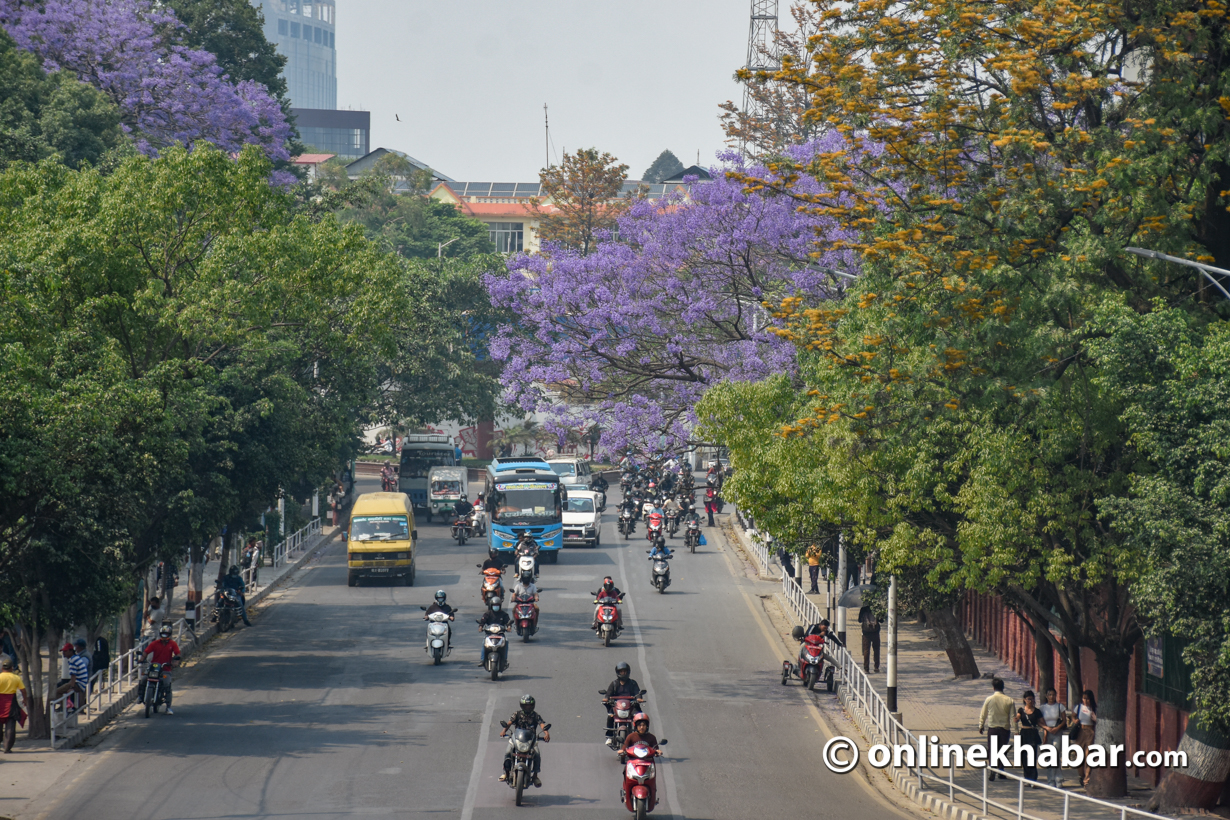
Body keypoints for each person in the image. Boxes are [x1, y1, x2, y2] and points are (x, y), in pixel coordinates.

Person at [500, 694, 550, 786]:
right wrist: (504, 731)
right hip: (517, 738)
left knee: (537, 754)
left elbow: (542, 724)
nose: (528, 707)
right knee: (508, 752)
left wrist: (546, 734)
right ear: (522, 706)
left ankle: (535, 776)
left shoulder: (535, 715)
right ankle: (505, 773)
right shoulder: (517, 714)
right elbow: (509, 723)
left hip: (531, 740)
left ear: (533, 706)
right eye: (526, 705)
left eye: (530, 705)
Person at [978, 678, 1015, 780]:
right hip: (1005, 729)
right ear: (1003, 687)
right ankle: (1001, 771)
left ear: (993, 688)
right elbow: (1013, 717)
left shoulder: (989, 699)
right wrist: (1016, 731)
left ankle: (993, 769)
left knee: (992, 750)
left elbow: (983, 714)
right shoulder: (1009, 700)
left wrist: (981, 725)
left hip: (993, 729)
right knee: (1002, 750)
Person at [141, 626, 181, 714]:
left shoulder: (172, 644)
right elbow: (146, 652)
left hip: (166, 668)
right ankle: (140, 697)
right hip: (154, 667)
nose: (164, 636)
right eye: (163, 634)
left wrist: (175, 662)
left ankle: (168, 707)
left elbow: (177, 653)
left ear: (169, 635)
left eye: (166, 634)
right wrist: (142, 658)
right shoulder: (155, 643)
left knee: (167, 684)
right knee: (143, 679)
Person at [603, 662, 644, 745]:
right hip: (617, 706)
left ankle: (641, 737)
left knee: (640, 718)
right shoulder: (614, 684)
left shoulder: (633, 683)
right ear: (618, 672)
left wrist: (639, 698)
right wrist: (606, 699)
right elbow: (608, 694)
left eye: (625, 671)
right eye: (621, 672)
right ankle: (610, 737)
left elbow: (637, 693)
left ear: (628, 672)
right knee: (610, 716)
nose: (623, 673)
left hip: (631, 706)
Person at [1038, 687, 1068, 787]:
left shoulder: (1060, 706)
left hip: (1057, 733)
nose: (1051, 697)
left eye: (1053, 695)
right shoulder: (1042, 708)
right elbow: (1039, 722)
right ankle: (1051, 779)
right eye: (1049, 695)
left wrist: (1057, 728)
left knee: (1055, 754)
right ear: (1046, 696)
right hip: (1046, 733)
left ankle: (1058, 779)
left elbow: (1064, 721)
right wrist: (1046, 728)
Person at [1014, 690, 1042, 781]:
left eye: (1032, 699)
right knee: (1024, 757)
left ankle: (1033, 778)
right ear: (1024, 700)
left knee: (1032, 756)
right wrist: (1016, 719)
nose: (1031, 701)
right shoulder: (1021, 710)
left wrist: (1047, 729)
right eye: (1029, 699)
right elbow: (1017, 717)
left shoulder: (1037, 711)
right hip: (1023, 734)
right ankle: (1027, 777)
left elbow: (1041, 722)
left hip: (1033, 734)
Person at [0, 655, 26, 754]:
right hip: (11, 703)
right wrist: (25, 700)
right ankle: (7, 747)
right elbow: (23, 690)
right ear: (11, 668)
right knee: (10, 725)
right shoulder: (16, 678)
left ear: (2, 668)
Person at [53, 639, 90, 707]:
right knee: (61, 688)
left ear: (71, 651)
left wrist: (71, 687)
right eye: (63, 651)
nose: (63, 653)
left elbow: (73, 676)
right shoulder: (76, 658)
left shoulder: (73, 660)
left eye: (65, 651)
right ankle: (66, 706)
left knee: (56, 692)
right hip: (82, 683)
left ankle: (66, 707)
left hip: (79, 684)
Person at [477, 597, 512, 669]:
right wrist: (480, 627)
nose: (496, 607)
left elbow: (508, 622)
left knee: (506, 642)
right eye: (494, 605)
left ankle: (504, 660)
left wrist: (509, 627)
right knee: (484, 642)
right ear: (491, 605)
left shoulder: (504, 614)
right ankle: (482, 660)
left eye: (497, 605)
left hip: (500, 634)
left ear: (500, 605)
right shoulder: (487, 614)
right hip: (489, 634)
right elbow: (482, 622)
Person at [1072, 689, 1097, 787]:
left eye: (1087, 699)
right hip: (1080, 732)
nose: (1085, 701)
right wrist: (1074, 720)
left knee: (1088, 756)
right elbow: (1073, 716)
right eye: (1084, 698)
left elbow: (1098, 721)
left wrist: (1095, 718)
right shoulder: (1079, 707)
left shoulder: (1094, 708)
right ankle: (1081, 776)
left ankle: (1087, 779)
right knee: (1079, 756)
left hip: (1090, 732)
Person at [857, 605, 882, 673]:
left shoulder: (863, 609)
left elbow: (859, 620)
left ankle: (866, 668)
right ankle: (876, 667)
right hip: (875, 632)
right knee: (876, 649)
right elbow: (881, 620)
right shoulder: (876, 607)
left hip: (866, 633)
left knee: (866, 650)